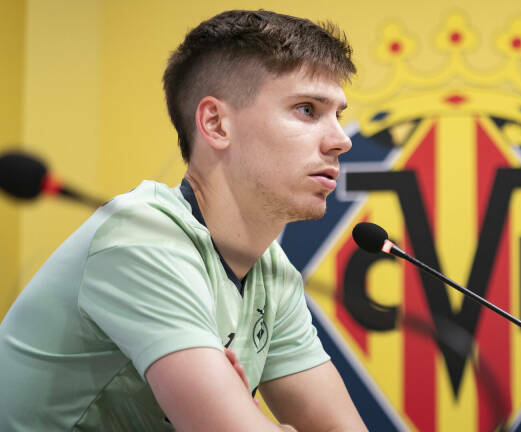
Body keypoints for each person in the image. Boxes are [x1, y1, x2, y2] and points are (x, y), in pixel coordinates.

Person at [0, 9, 367, 431]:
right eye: (307, 109)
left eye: (338, 115)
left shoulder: (271, 271)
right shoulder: (142, 239)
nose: (341, 140)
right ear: (216, 123)